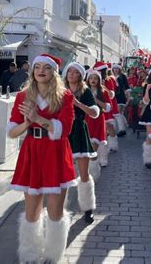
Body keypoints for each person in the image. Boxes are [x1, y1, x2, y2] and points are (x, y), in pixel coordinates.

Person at [7, 54, 75, 262]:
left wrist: (38, 118)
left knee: (55, 211)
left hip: (56, 152)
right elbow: (11, 131)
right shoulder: (22, 96)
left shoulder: (65, 97)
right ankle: (29, 254)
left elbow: (65, 130)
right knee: (31, 210)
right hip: (32, 151)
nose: (41, 71)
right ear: (32, 71)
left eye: (46, 67)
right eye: (37, 67)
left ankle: (53, 256)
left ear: (54, 72)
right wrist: (27, 123)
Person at [63, 62, 100, 224]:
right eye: (69, 71)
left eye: (75, 72)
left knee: (83, 173)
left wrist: (78, 104)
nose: (71, 74)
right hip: (62, 132)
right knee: (61, 173)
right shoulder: (59, 90)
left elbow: (94, 113)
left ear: (80, 75)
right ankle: (59, 209)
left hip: (79, 131)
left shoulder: (85, 91)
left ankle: (87, 209)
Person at [85, 69, 112, 171]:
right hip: (86, 119)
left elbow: (108, 108)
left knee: (94, 147)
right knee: (87, 145)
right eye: (91, 78)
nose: (93, 80)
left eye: (95, 78)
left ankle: (93, 171)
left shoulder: (103, 91)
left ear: (99, 80)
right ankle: (87, 170)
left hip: (99, 120)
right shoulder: (84, 91)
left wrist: (97, 101)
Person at [94, 62, 119, 152]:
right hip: (96, 106)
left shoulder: (108, 80)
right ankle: (100, 148)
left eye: (101, 71)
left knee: (109, 126)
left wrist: (104, 87)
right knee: (101, 127)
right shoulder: (94, 79)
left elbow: (112, 94)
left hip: (106, 104)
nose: (100, 73)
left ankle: (113, 145)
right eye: (98, 71)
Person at [112, 64, 128, 137]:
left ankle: (122, 129)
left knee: (119, 112)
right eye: (114, 69)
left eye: (117, 69)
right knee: (116, 113)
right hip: (113, 96)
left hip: (120, 96)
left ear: (119, 69)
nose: (115, 70)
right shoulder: (111, 77)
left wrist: (128, 96)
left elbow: (126, 86)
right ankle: (122, 126)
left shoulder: (123, 77)